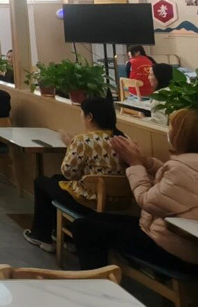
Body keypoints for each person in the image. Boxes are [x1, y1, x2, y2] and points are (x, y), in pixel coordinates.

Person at [72, 108, 198, 272]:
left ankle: (99, 281)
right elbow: (170, 178)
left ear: (183, 136)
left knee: (84, 227)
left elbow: (147, 201)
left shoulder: (182, 170)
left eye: (171, 127)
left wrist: (135, 164)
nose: (169, 132)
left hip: (176, 251)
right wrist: (142, 161)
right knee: (94, 218)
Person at [23, 97, 126, 251]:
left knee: (41, 182)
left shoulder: (83, 141)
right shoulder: (123, 139)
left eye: (82, 113)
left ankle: (42, 236)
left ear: (89, 117)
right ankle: (61, 234)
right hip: (119, 202)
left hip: (88, 202)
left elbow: (69, 172)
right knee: (55, 180)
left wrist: (70, 146)